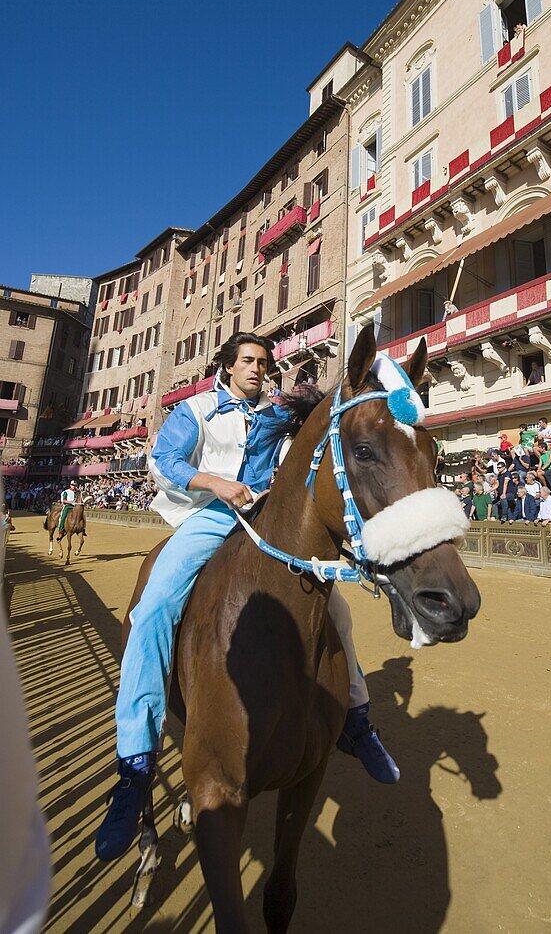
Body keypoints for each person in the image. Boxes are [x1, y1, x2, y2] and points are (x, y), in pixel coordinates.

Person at [95, 332, 399, 864]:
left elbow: (326, 425)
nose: (259, 369)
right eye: (250, 362)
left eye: (264, 362)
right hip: (210, 518)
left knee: (339, 611)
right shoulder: (196, 409)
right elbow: (163, 461)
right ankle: (135, 770)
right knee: (154, 609)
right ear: (227, 366)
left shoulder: (277, 411)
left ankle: (355, 721)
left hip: (266, 521)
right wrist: (214, 482)